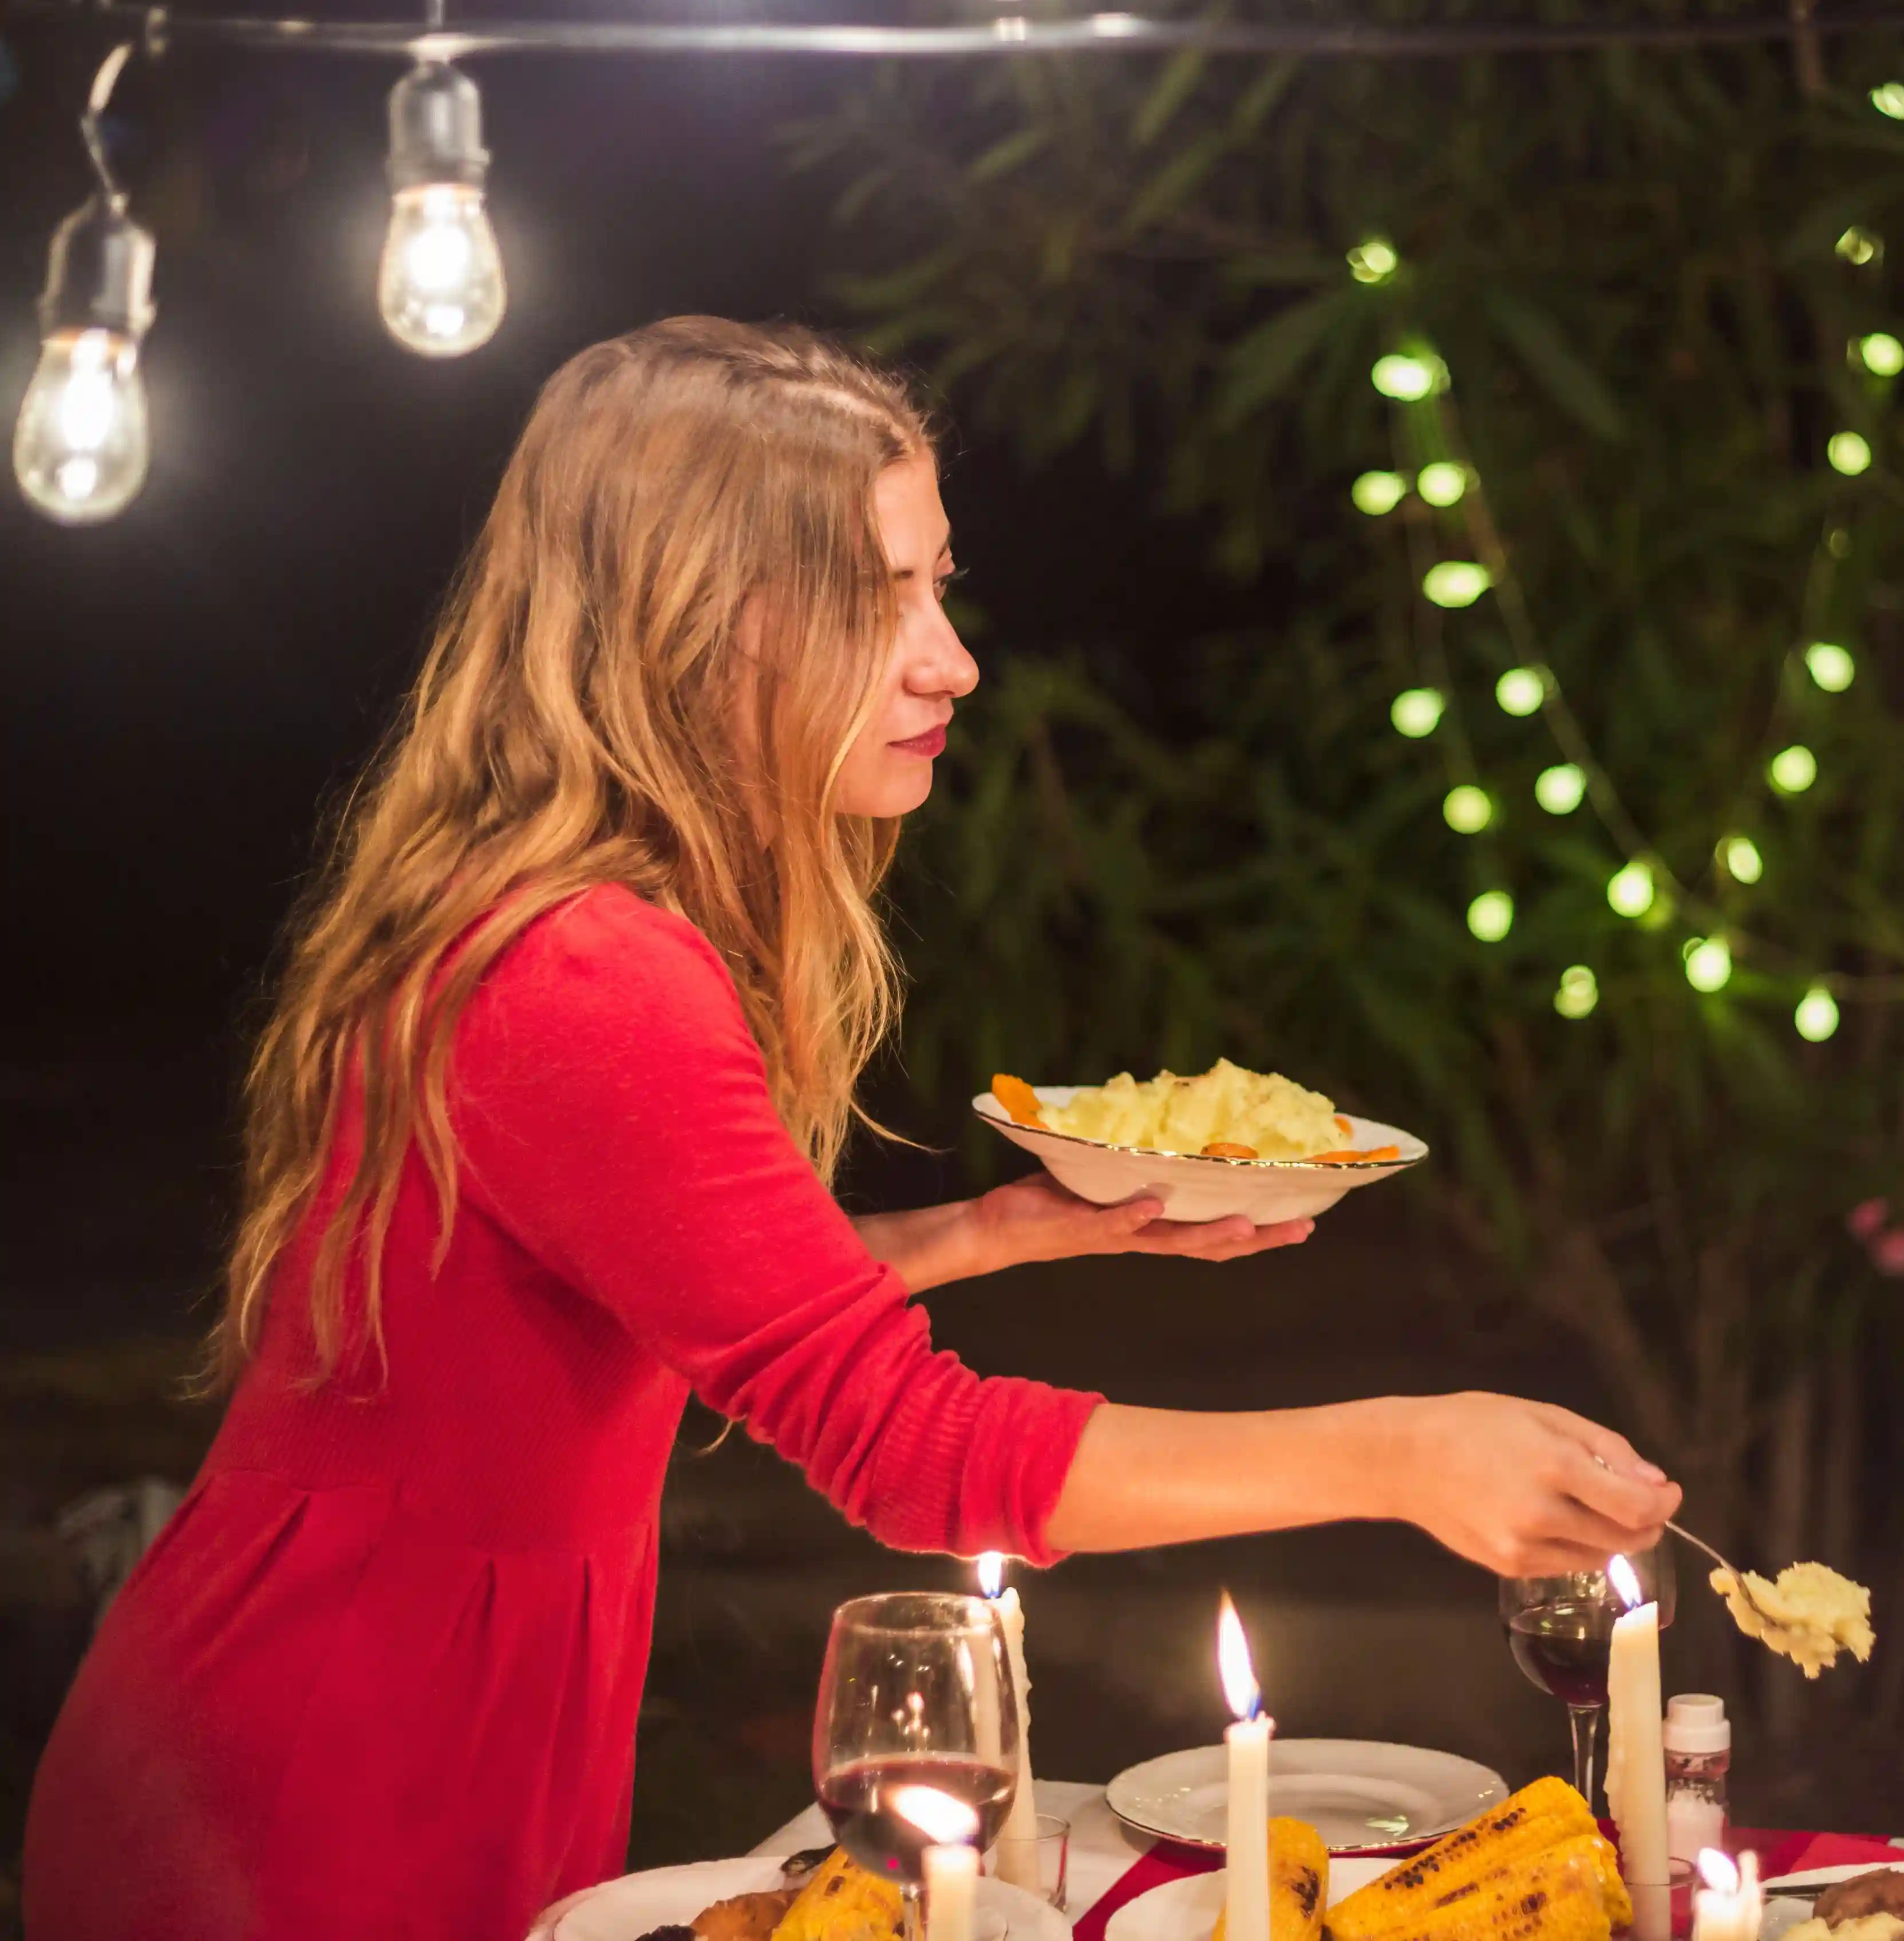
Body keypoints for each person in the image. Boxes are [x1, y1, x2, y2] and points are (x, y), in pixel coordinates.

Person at [19, 319, 1682, 1941]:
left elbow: (650, 1295)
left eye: (936, 581)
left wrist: (994, 1231)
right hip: (318, 1770)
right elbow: (907, 1453)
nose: (947, 655)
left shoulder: (571, 915)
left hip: (403, 1701)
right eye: (875, 596)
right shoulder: (590, 969)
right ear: (698, 622)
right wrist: (1401, 1453)